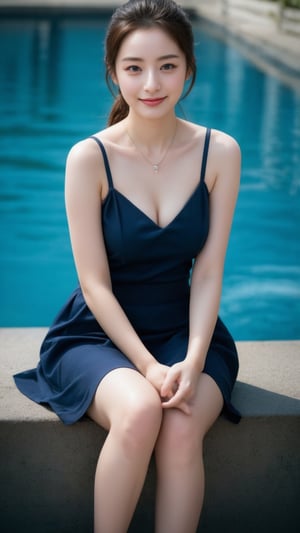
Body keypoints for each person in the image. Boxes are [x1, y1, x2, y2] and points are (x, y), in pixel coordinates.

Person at [14, 0, 241, 531]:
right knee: (140, 410)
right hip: (97, 335)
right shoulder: (88, 157)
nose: (151, 83)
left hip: (187, 334)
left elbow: (208, 272)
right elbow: (94, 284)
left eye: (167, 65)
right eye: (134, 67)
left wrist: (192, 357)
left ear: (188, 68)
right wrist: (147, 366)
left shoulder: (220, 152)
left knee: (182, 425)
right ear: (114, 72)